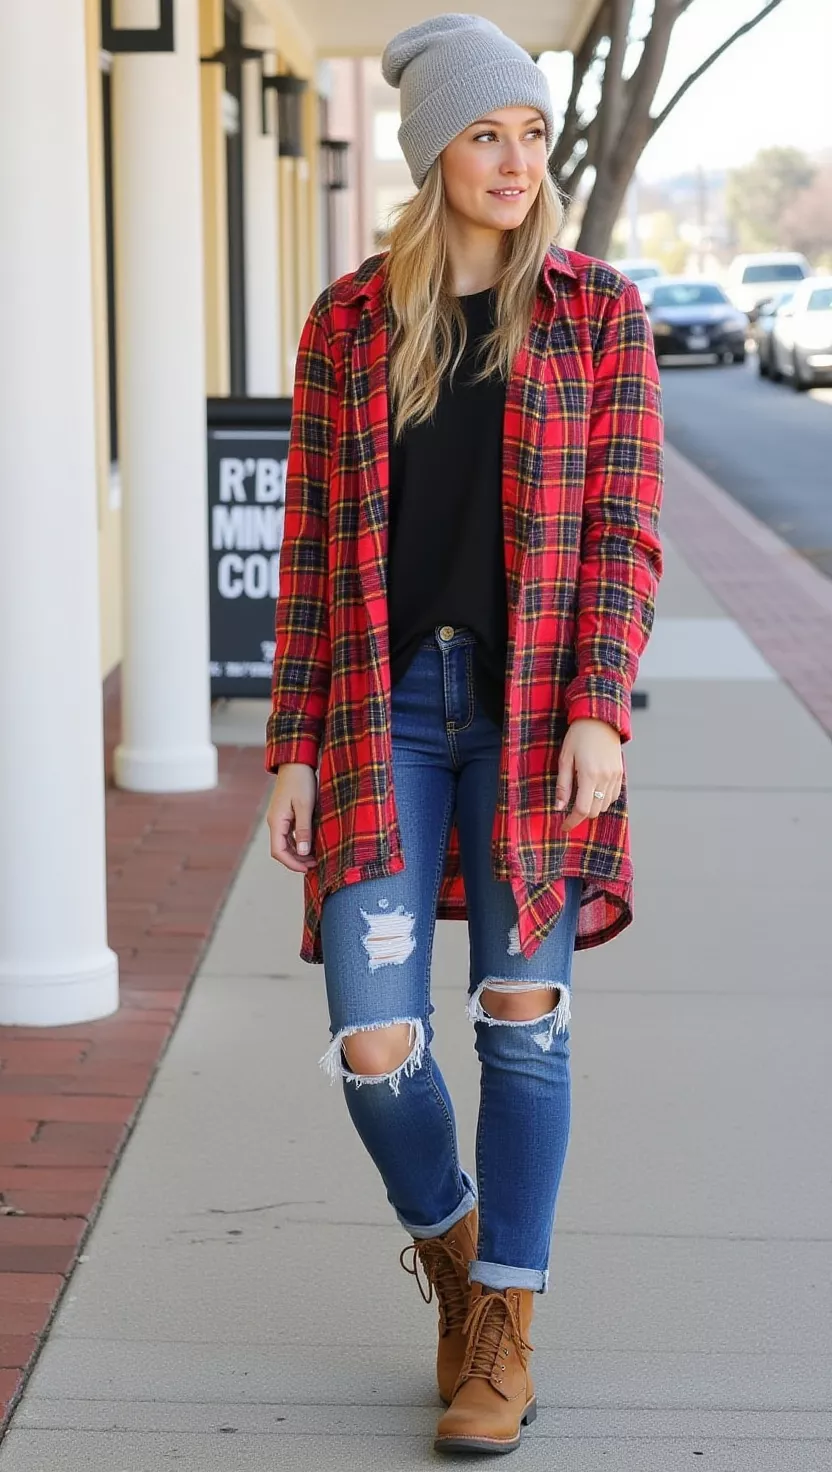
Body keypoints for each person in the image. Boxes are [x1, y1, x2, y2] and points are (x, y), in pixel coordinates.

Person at [265, 12, 663, 1457]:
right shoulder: (351, 324)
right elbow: (312, 551)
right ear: (436, 148)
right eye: (485, 133)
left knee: (522, 1024)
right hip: (385, 709)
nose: (514, 159)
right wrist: (294, 744)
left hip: (536, 712)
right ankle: (456, 1239)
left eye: (531, 133)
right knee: (377, 1043)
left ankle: (504, 1322)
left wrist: (602, 707)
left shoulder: (601, 315)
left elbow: (624, 532)